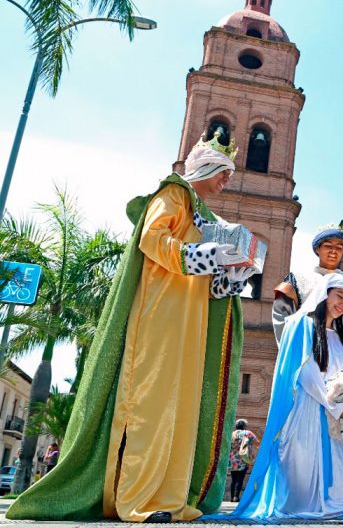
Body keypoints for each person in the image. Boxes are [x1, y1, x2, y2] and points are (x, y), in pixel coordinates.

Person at [8, 131, 255, 523]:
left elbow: (210, 284)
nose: (227, 180)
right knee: (151, 405)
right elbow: (153, 240)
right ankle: (137, 498)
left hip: (192, 326)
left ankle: (168, 497)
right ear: (205, 168)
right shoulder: (173, 195)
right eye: (223, 171)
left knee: (181, 410)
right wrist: (208, 254)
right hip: (160, 318)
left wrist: (233, 275)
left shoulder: (206, 217)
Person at [208, 274, 343, 521]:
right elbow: (306, 374)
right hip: (308, 409)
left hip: (336, 414)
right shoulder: (301, 325)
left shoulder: (341, 336)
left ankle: (333, 507)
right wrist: (335, 406)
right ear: (325, 293)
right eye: (340, 296)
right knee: (304, 474)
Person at [272, 224, 343, 343]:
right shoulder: (297, 279)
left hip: (342, 348)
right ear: (317, 249)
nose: (333, 251)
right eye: (328, 246)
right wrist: (289, 347)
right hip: (306, 345)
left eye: (339, 247)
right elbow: (282, 315)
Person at [229, 419, 257, 502]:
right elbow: (257, 443)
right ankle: (236, 497)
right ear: (244, 426)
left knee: (234, 479)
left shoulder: (231, 434)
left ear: (236, 426)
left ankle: (232, 497)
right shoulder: (247, 433)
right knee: (240, 478)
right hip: (243, 459)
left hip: (232, 460)